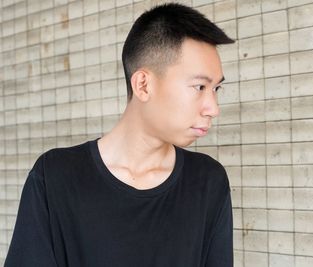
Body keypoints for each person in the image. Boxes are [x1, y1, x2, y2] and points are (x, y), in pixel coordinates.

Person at [5, 3, 235, 267]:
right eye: (200, 87)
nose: (213, 108)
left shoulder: (207, 181)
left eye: (216, 88)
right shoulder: (55, 177)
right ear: (143, 85)